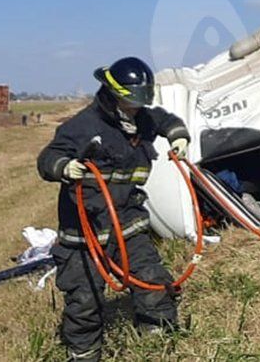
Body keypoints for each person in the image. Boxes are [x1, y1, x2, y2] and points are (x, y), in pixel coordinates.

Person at [37, 57, 191, 361]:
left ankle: (157, 342)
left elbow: (166, 120)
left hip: (127, 223)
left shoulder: (142, 119)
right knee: (84, 300)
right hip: (85, 233)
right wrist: (64, 166)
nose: (135, 109)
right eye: (129, 102)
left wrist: (179, 136)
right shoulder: (82, 126)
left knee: (152, 279)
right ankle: (84, 354)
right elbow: (47, 159)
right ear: (112, 94)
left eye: (138, 103)